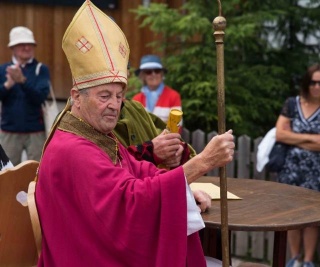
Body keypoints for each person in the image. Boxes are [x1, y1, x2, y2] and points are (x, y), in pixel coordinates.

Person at [35, 1, 235, 266]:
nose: (114, 104)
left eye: (119, 96)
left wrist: (181, 189)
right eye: (104, 96)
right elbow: (129, 199)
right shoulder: (73, 148)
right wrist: (202, 163)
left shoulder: (92, 133)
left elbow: (135, 169)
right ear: (76, 98)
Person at [276, 63, 320, 267]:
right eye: (313, 82)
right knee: (291, 214)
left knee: (312, 216)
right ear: (306, 83)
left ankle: (309, 261)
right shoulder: (292, 104)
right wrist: (311, 140)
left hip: (316, 172)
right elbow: (280, 134)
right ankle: (295, 259)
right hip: (291, 170)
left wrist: (294, 137)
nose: (317, 86)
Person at [0, 26, 50, 166]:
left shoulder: (41, 69)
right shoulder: (3, 70)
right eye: (22, 44)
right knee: (7, 175)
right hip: (9, 131)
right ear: (13, 48)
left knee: (36, 172)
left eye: (30, 44)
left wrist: (22, 81)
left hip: (35, 132)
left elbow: (40, 97)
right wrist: (7, 86)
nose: (27, 47)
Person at [132, 54, 182, 123]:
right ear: (143, 76)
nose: (153, 74)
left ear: (162, 74)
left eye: (157, 71)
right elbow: (134, 125)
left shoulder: (173, 96)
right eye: (148, 72)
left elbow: (176, 126)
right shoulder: (137, 99)